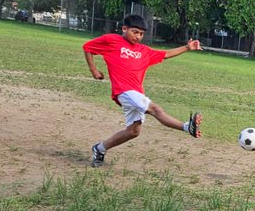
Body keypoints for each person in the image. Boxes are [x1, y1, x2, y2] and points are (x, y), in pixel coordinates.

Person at [83, 15, 202, 166]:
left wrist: (187, 47)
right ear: (124, 29)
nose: (138, 36)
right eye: (135, 32)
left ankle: (99, 148)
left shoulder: (143, 51)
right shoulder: (112, 40)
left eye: (141, 33)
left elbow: (165, 54)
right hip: (123, 91)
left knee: (133, 131)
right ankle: (186, 127)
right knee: (155, 109)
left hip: (136, 93)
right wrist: (93, 70)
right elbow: (87, 47)